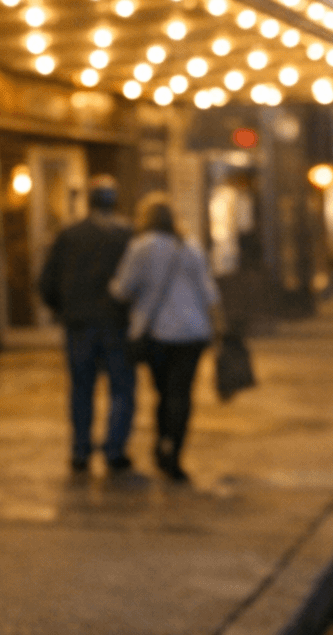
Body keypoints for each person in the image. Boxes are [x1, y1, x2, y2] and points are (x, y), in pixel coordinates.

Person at [111, 194, 222, 482]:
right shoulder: (191, 248)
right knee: (182, 393)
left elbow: (122, 289)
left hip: (158, 332)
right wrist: (219, 328)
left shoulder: (141, 248)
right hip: (193, 332)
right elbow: (210, 293)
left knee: (162, 392)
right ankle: (174, 451)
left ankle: (162, 444)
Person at [37, 176, 135, 475]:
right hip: (117, 324)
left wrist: (62, 309)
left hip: (79, 325)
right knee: (121, 389)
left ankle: (81, 450)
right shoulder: (127, 234)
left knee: (82, 388)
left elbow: (46, 282)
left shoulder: (69, 235)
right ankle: (114, 449)